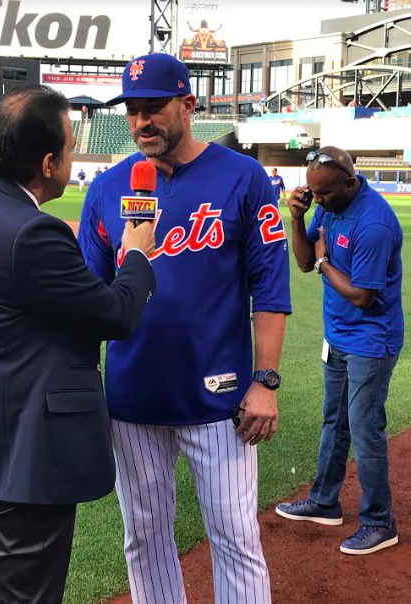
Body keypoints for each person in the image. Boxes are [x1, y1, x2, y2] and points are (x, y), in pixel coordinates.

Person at [79, 53, 291, 604]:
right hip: (132, 399)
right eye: (132, 110)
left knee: (236, 538)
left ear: (188, 104)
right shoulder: (108, 188)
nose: (141, 122)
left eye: (153, 108)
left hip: (220, 400)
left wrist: (266, 380)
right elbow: (89, 303)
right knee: (144, 539)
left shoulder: (243, 178)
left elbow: (270, 288)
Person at [0, 85, 156, 604]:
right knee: (21, 594)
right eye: (69, 149)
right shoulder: (34, 233)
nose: (70, 159)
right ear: (48, 163)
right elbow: (115, 314)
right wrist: (138, 253)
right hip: (29, 450)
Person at [276, 147, 403, 556]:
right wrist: (298, 219)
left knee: (365, 429)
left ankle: (380, 522)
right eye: (312, 192)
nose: (317, 199)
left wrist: (325, 263)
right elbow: (302, 263)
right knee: (335, 421)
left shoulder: (374, 223)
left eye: (324, 194)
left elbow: (363, 297)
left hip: (371, 339)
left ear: (350, 183)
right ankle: (324, 501)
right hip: (339, 336)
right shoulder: (328, 206)